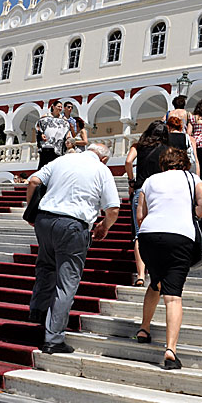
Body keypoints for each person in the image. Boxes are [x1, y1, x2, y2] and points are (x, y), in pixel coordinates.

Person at [25, 143, 120, 354]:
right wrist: (104, 227)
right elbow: (113, 209)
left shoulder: (63, 159)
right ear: (104, 159)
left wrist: (31, 211)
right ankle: (53, 338)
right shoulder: (102, 170)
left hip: (45, 219)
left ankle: (39, 311)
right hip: (73, 225)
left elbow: (33, 181)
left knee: (46, 266)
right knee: (66, 282)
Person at [134, 147, 202, 370]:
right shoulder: (191, 178)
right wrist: (191, 216)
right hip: (179, 236)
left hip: (149, 236)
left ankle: (144, 328)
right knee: (173, 296)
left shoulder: (150, 181)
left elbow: (140, 215)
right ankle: (170, 350)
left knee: (155, 283)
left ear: (163, 163)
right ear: (184, 163)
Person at [124, 121, 169, 287]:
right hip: (159, 192)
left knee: (139, 233)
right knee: (159, 230)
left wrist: (131, 181)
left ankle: (141, 275)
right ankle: (158, 269)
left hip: (140, 191)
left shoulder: (138, 146)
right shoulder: (167, 150)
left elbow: (128, 162)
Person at [36, 101, 71, 169]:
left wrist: (68, 137)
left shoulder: (64, 120)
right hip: (46, 147)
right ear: (53, 107)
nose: (60, 108)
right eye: (58, 106)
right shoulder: (45, 117)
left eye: (61, 107)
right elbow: (38, 128)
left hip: (59, 148)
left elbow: (67, 131)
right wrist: (41, 134)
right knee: (44, 167)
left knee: (56, 167)